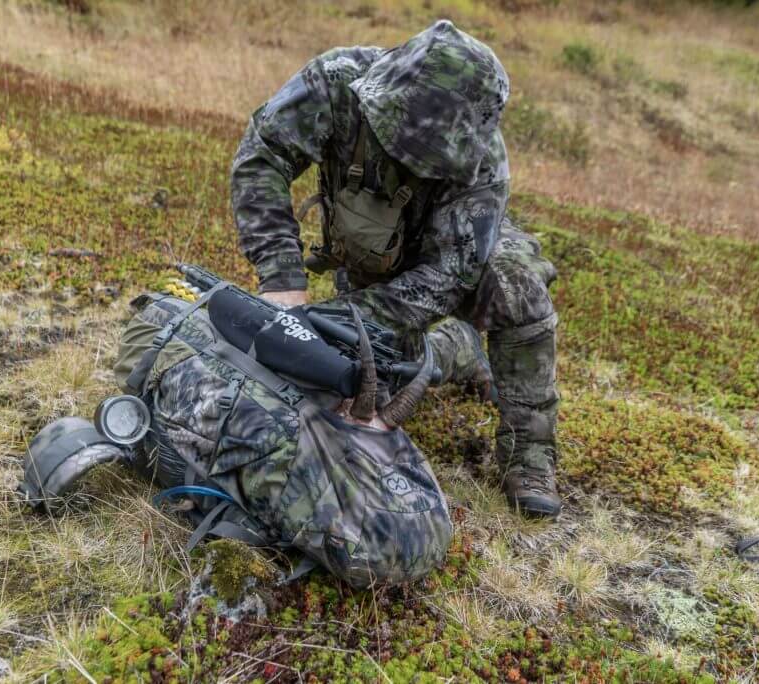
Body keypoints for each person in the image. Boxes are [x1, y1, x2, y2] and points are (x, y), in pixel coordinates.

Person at [230, 21, 561, 517]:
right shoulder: (338, 81)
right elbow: (263, 155)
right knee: (366, 376)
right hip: (369, 258)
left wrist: (325, 323)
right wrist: (281, 278)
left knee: (517, 285)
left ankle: (529, 456)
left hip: (452, 258)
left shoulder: (484, 165)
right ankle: (455, 349)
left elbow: (449, 276)